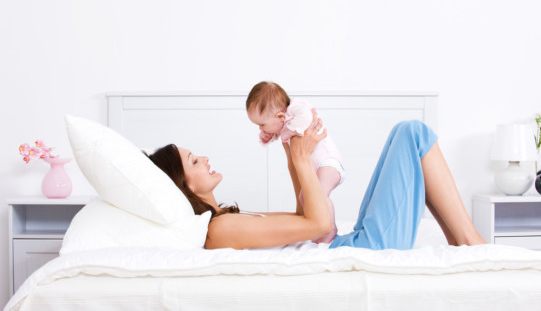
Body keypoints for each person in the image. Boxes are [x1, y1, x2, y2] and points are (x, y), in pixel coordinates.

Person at [146, 113, 486, 250]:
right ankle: (472, 243)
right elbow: (319, 221)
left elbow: (303, 219)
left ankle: (463, 245)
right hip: (361, 251)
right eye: (193, 161)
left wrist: (289, 145)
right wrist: (300, 157)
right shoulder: (219, 230)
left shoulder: (227, 219)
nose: (204, 158)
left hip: (348, 243)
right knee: (414, 133)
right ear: (185, 186)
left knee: (405, 134)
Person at [246, 81, 344, 243]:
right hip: (318, 167)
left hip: (329, 162)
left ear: (280, 116)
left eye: (262, 125)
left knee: (317, 196)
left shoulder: (297, 107)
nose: (260, 128)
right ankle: (320, 228)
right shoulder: (285, 123)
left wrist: (285, 133)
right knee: (305, 197)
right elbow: (282, 130)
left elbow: (306, 117)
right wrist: (269, 135)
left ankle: (329, 228)